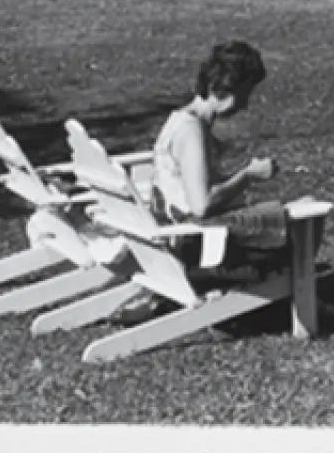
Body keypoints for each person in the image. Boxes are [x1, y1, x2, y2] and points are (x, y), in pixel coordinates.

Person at [112, 40, 285, 324]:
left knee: (285, 212)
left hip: (179, 236)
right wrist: (248, 176)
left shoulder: (179, 120)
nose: (246, 104)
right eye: (246, 93)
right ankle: (297, 298)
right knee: (299, 220)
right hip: (196, 245)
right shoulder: (191, 132)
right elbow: (201, 205)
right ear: (229, 91)